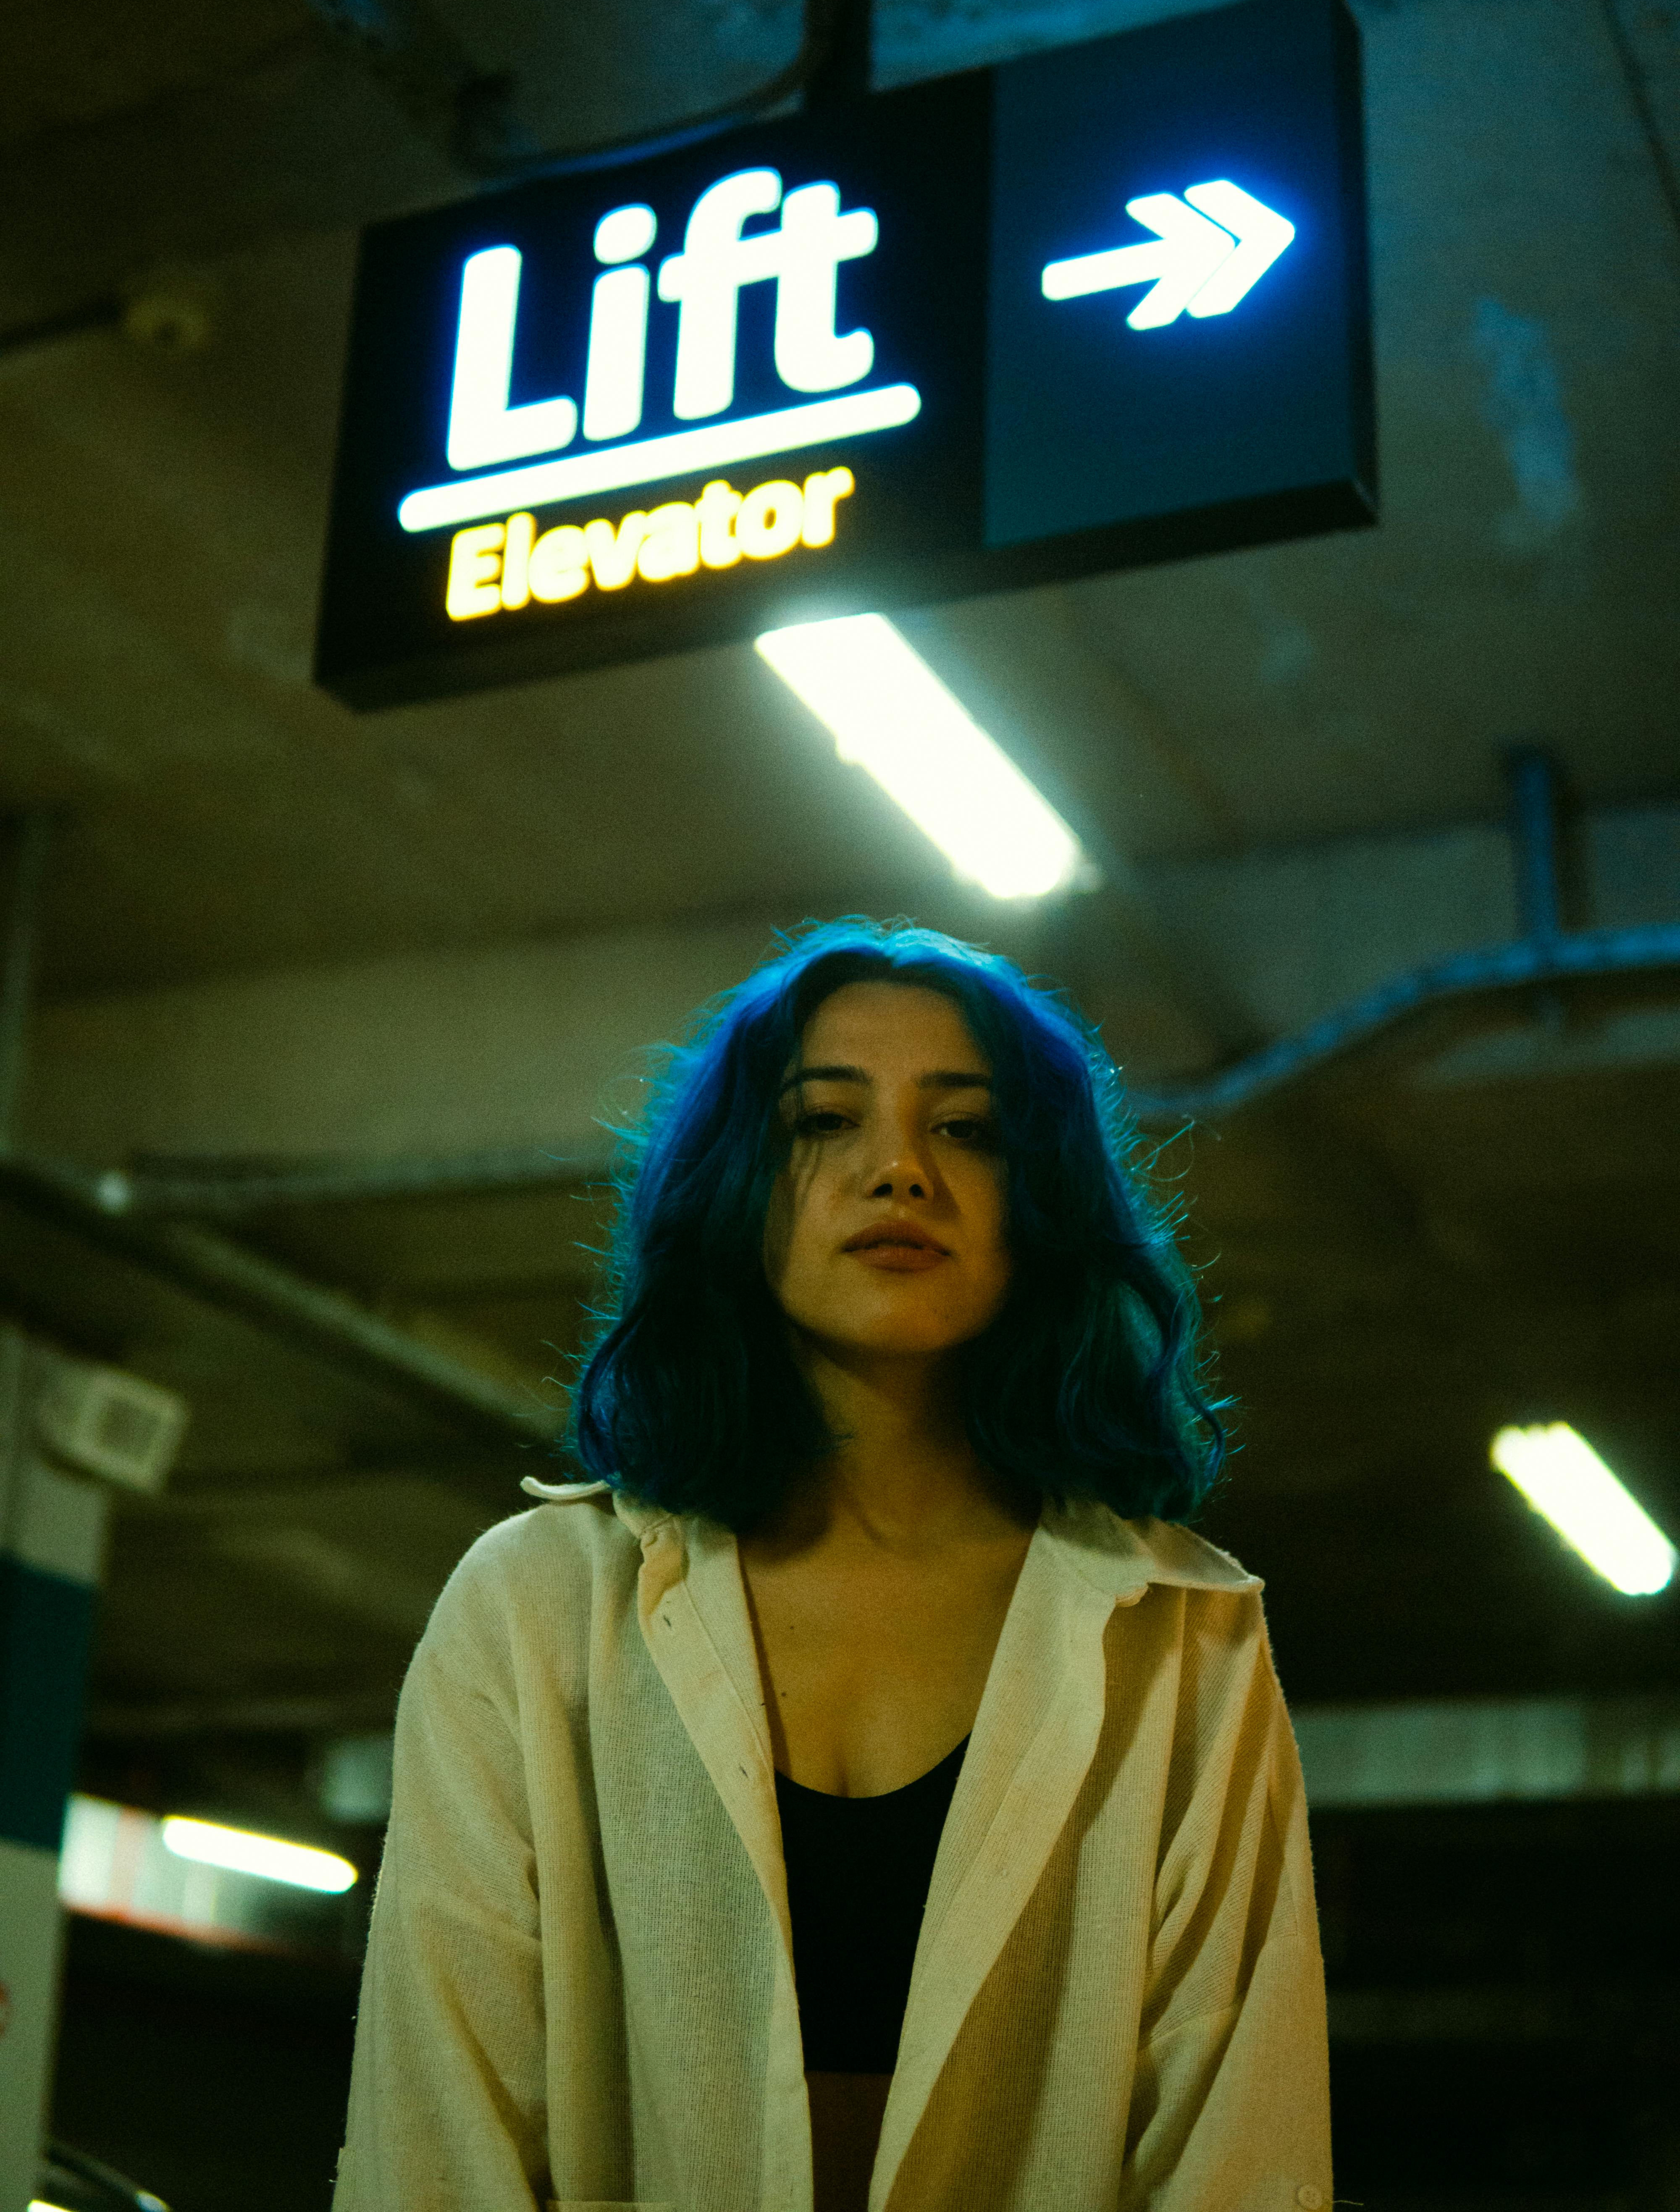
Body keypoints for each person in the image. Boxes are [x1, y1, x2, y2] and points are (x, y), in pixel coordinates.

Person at [333, 918, 1331, 2212]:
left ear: (1046, 1204)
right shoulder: (535, 1607)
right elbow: (437, 2135)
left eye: (968, 1129)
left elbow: (1237, 2155)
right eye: (822, 1122)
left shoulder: (1182, 1635)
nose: (901, 1171)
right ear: (735, 1183)